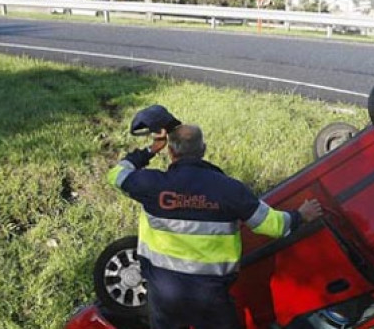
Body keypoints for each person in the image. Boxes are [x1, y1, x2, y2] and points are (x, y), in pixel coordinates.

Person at [106, 124, 323, 329]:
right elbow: (270, 225)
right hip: (210, 297)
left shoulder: (151, 184)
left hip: (164, 296)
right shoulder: (229, 189)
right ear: (203, 150)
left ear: (171, 152)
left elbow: (116, 174)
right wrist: (300, 216)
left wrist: (151, 149)